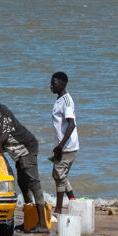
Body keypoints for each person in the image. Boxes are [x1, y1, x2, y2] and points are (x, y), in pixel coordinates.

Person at [0, 88, 49, 233]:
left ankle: (42, 224)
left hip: (26, 149)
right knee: (22, 183)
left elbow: (5, 136)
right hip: (17, 152)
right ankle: (29, 221)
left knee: (33, 183)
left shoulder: (3, 112)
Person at [50, 72, 79, 214]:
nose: (51, 86)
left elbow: (71, 124)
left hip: (67, 147)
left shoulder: (67, 101)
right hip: (61, 146)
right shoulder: (59, 99)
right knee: (59, 175)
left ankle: (58, 209)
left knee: (59, 176)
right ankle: (74, 201)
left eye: (54, 83)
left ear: (63, 84)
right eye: (51, 83)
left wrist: (61, 146)